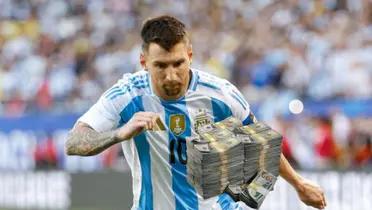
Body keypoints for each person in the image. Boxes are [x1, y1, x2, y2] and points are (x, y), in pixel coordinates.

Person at [65, 15, 326, 210]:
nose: (171, 75)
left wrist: (299, 184)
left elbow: (260, 141)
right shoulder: (126, 95)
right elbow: (73, 143)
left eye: (179, 63)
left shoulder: (220, 94)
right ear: (144, 62)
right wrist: (119, 134)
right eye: (160, 66)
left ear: (190, 55)